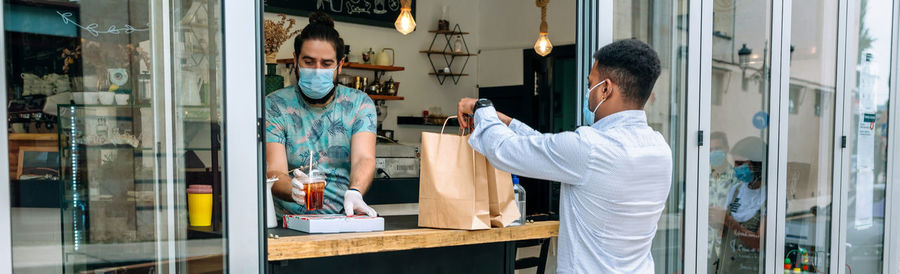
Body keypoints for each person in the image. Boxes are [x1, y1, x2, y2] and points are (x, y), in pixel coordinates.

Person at [457, 39, 671, 273]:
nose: (588, 93)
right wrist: (506, 122)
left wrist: (481, 108)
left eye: (591, 84)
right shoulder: (660, 149)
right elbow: (548, 149)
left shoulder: (589, 147)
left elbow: (504, 151)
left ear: (605, 89)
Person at [265, 12, 378, 218]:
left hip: (345, 216)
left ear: (340, 65)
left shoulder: (360, 104)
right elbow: (274, 171)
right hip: (289, 223)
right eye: (309, 62)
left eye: (326, 64)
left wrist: (355, 191)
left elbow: (364, 158)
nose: (317, 71)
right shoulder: (275, 105)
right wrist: (294, 190)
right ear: (295, 60)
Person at [708, 137, 766, 274]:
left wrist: (728, 221)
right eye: (735, 163)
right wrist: (717, 222)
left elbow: (759, 244)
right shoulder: (736, 189)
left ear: (757, 165)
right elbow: (724, 233)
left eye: (741, 163)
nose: (736, 168)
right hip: (729, 266)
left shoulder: (772, 197)